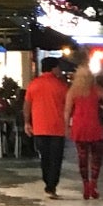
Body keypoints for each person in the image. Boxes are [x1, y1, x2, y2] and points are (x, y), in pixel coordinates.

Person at [65, 52, 103, 199]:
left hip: (79, 127)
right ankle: (93, 184)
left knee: (82, 158)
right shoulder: (98, 89)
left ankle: (85, 185)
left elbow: (67, 111)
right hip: (95, 127)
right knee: (96, 158)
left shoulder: (73, 91)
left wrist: (66, 127)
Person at [23, 58, 70, 197]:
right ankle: (51, 186)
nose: (60, 70)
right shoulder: (61, 85)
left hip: (39, 127)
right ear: (53, 68)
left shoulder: (33, 84)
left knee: (45, 157)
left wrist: (27, 122)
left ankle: (47, 182)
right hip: (57, 127)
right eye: (58, 67)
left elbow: (27, 105)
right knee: (56, 158)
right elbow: (69, 105)